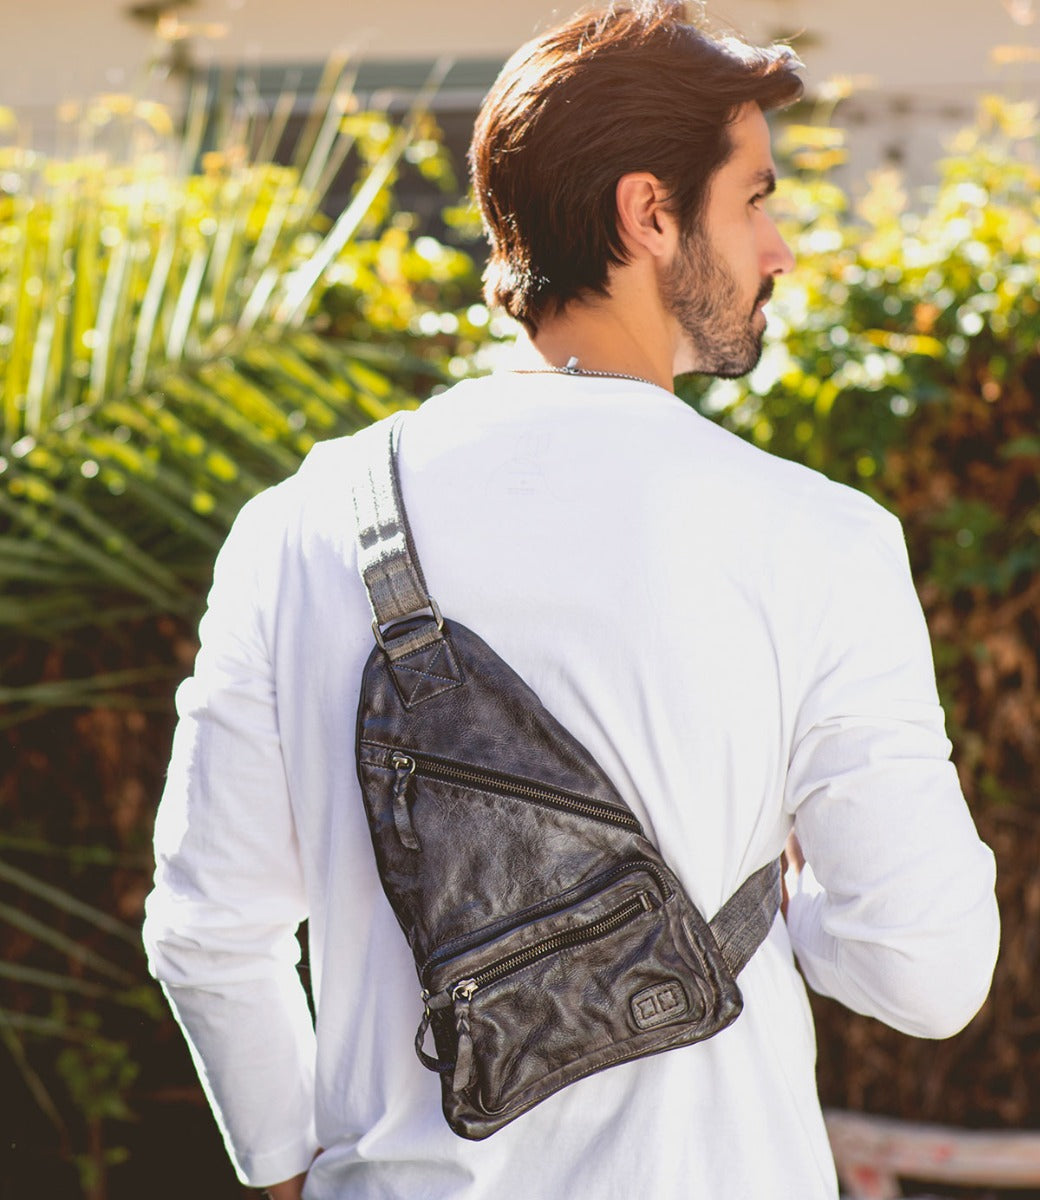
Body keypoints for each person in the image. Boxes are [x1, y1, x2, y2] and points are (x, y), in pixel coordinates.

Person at [143, 3, 1000, 1198]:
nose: (780, 248)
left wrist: (296, 1178)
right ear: (647, 214)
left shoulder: (300, 526)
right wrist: (791, 888)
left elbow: (205, 932)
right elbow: (927, 972)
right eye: (753, 199)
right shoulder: (819, 539)